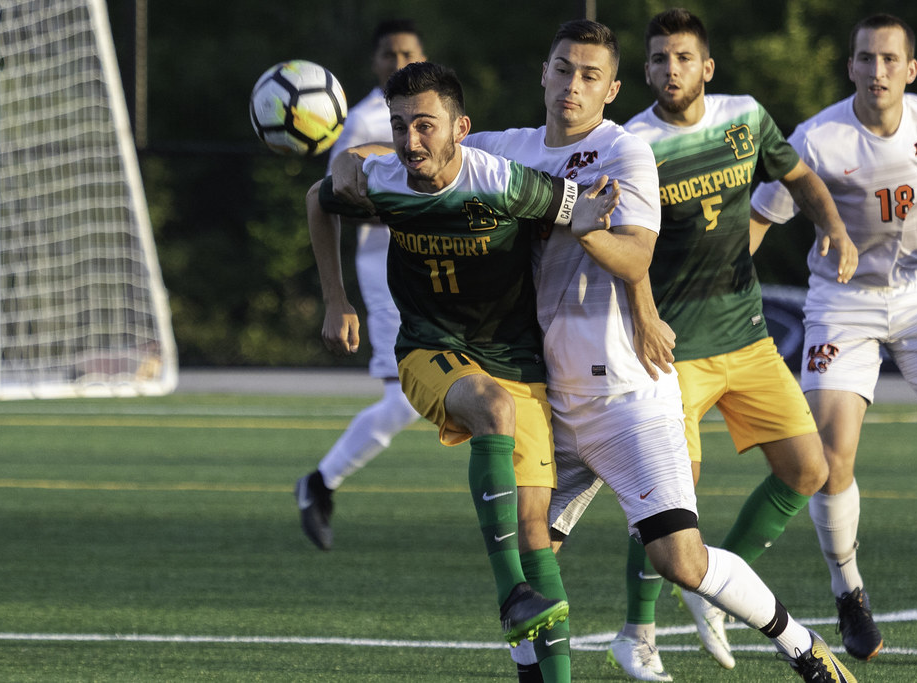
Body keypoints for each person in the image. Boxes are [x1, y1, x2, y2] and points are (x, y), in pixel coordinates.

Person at [331, 19, 859, 683]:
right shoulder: (507, 148)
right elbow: (419, 148)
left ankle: (802, 644)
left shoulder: (625, 151)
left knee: (682, 561)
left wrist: (582, 227)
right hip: (548, 394)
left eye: (589, 75)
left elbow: (636, 253)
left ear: (612, 88)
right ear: (543, 76)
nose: (572, 85)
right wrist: (348, 161)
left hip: (627, 397)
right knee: (526, 558)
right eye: (562, 70)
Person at [307, 60, 628, 682]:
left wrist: (594, 219)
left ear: (462, 129)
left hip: (517, 359)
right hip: (429, 349)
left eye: (425, 126)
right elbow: (319, 201)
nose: (410, 141)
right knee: (491, 408)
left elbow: (576, 212)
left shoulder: (503, 183)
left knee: (537, 534)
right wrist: (334, 297)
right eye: (399, 127)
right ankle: (512, 595)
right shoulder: (384, 180)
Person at [585, 8, 859, 678]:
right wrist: (643, 318)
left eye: (682, 57)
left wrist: (835, 228)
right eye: (657, 59)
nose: (669, 69)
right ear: (644, 70)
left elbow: (799, 178)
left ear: (706, 67)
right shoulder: (632, 143)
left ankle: (716, 588)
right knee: (668, 498)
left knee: (809, 469)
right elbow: (624, 250)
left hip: (749, 336)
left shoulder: (746, 118)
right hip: (671, 350)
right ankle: (637, 631)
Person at [750, 13, 917, 662]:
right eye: (864, 59)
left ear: (910, 70)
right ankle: (849, 592)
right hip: (842, 299)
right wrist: (716, 284)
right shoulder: (817, 139)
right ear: (849, 66)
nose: (876, 71)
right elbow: (763, 215)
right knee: (832, 452)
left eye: (889, 60)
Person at [296, 19, 426, 552]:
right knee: (407, 400)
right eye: (388, 56)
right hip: (386, 266)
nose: (398, 63)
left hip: (446, 265)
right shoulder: (363, 121)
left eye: (407, 53)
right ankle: (320, 482)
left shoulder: (434, 113)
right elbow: (335, 199)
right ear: (375, 65)